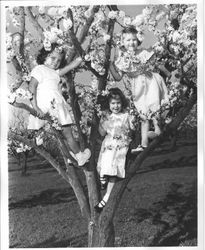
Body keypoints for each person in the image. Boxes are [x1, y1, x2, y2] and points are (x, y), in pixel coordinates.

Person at [27, 43, 91, 166]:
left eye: (59, 60)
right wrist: (35, 107)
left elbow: (72, 65)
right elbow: (32, 87)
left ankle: (78, 156)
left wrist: (82, 55)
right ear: (44, 56)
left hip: (58, 106)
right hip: (45, 105)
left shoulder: (55, 73)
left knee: (67, 134)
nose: (55, 62)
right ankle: (36, 140)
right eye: (52, 58)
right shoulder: (39, 69)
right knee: (44, 131)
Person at [110, 26, 169, 152]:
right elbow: (118, 77)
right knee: (143, 113)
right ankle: (144, 143)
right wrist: (109, 65)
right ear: (122, 42)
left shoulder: (143, 52)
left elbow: (157, 64)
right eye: (128, 40)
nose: (131, 43)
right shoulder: (121, 59)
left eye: (134, 40)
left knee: (153, 106)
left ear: (138, 40)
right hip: (137, 86)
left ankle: (158, 130)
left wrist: (169, 74)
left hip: (150, 81)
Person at [94, 88, 135, 212]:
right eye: (113, 103)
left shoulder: (126, 115)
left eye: (118, 103)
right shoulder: (107, 116)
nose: (116, 106)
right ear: (108, 104)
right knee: (102, 164)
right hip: (109, 143)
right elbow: (102, 133)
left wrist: (132, 123)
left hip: (120, 145)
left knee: (113, 172)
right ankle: (102, 179)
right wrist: (102, 121)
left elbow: (131, 129)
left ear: (122, 103)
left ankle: (105, 199)